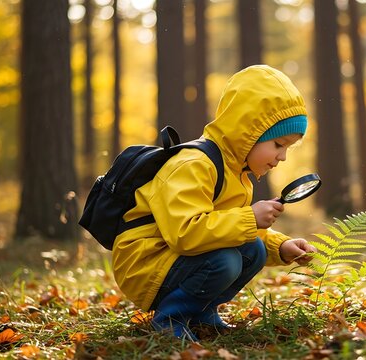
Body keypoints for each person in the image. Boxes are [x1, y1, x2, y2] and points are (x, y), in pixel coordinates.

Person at [112, 65, 317, 341]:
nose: (282, 157)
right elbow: (185, 233)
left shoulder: (236, 173)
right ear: (248, 132)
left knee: (252, 249)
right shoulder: (195, 165)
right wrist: (249, 218)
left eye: (289, 148)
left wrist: (280, 246)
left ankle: (201, 312)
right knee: (226, 260)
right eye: (278, 144)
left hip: (173, 258)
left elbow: (226, 230)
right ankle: (170, 320)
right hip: (146, 262)